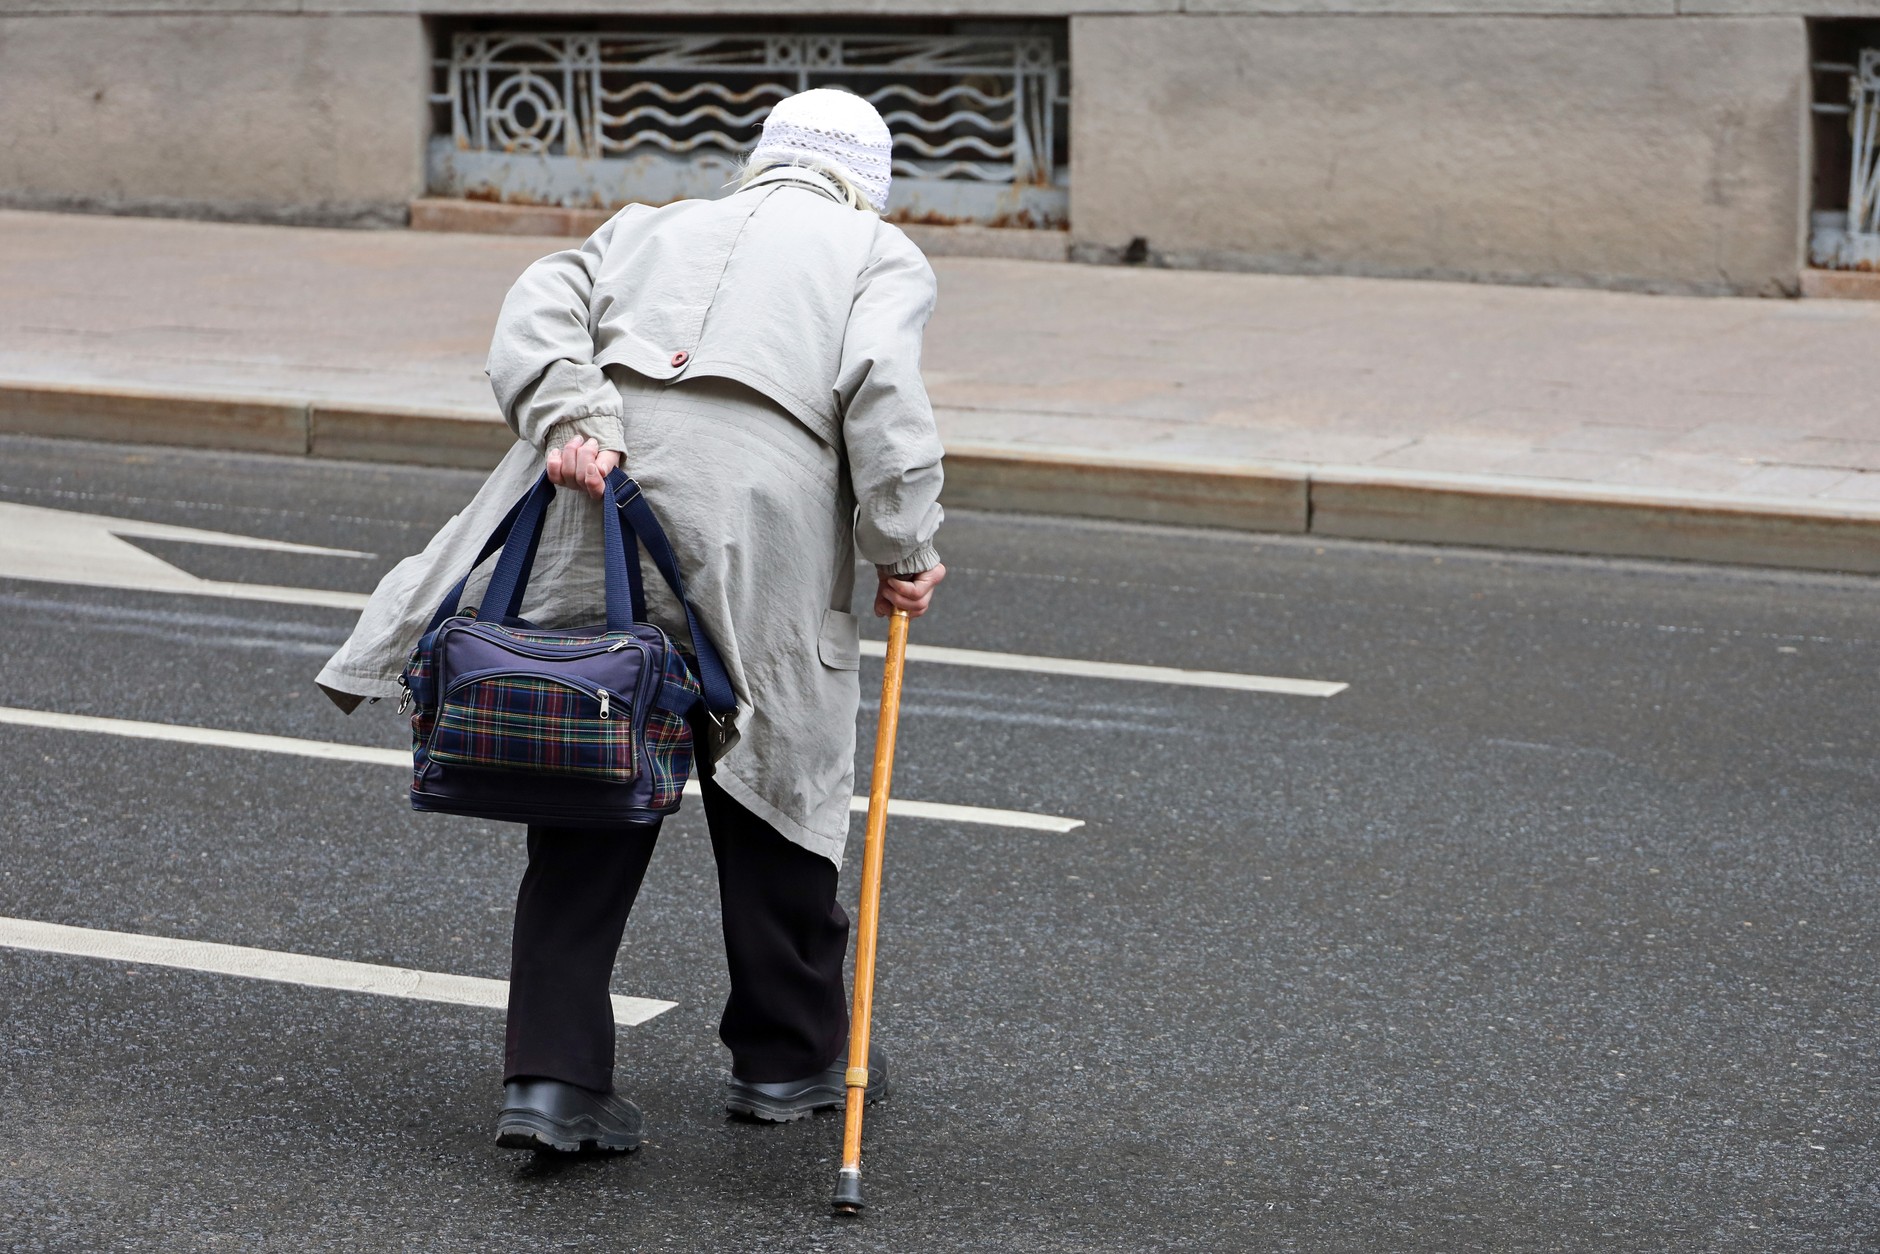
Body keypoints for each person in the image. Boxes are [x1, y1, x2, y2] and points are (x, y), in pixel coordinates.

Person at [314, 87, 946, 1153]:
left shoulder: (646, 224)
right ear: (868, 182)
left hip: (590, 496)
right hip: (759, 519)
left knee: (588, 759)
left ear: (761, 158)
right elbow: (882, 396)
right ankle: (788, 1062)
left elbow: (537, 311)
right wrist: (904, 547)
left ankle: (552, 1084)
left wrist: (575, 415)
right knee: (776, 774)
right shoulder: (875, 251)